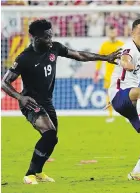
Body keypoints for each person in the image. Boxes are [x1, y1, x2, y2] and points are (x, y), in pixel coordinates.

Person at [1, 19, 121, 185]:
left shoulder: (54, 47)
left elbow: (79, 55)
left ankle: (39, 172)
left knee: (52, 138)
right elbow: (4, 82)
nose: (50, 39)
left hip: (47, 102)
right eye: (47, 37)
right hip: (31, 103)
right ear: (36, 38)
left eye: (51, 35)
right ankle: (29, 174)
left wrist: (105, 57)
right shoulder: (24, 58)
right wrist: (20, 97)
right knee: (49, 134)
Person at [108, 18, 140, 181]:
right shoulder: (129, 48)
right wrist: (126, 63)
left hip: (127, 100)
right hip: (122, 95)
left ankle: (137, 172)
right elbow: (125, 59)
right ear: (132, 34)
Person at [94, 25, 124, 123]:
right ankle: (110, 115)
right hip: (109, 75)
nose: (112, 34)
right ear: (108, 33)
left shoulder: (122, 44)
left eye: (114, 32)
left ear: (117, 32)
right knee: (109, 95)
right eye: (110, 32)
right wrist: (97, 72)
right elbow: (99, 59)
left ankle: (129, 115)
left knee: (126, 94)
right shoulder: (104, 45)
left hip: (121, 74)